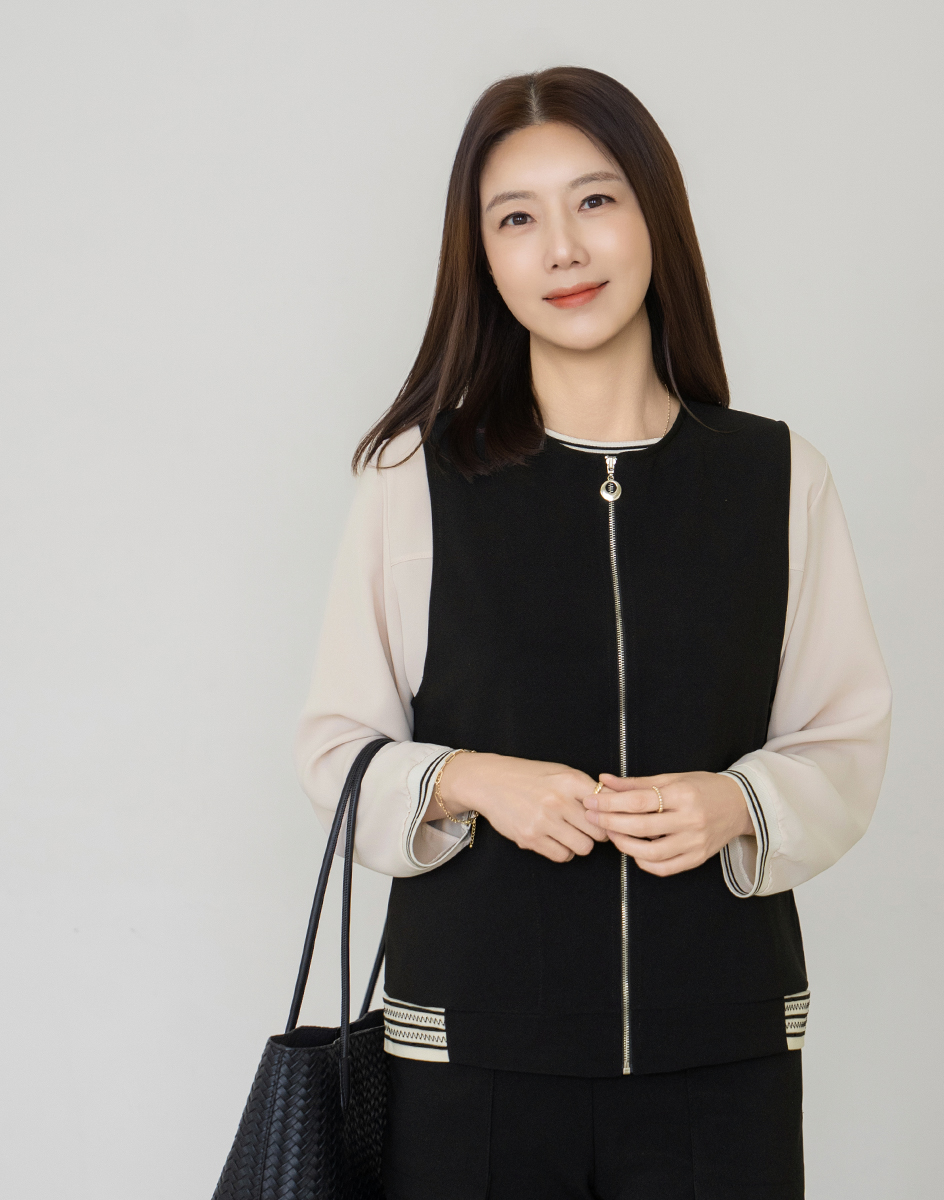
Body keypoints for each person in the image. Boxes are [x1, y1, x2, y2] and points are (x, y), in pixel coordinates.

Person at [295, 66, 891, 1200]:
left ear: (655, 214)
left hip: (719, 1055)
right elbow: (336, 750)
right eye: (516, 219)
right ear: (482, 258)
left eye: (596, 200)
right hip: (469, 1061)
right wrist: (473, 780)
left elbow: (844, 736)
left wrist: (737, 803)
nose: (562, 248)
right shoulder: (415, 480)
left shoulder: (776, 476)